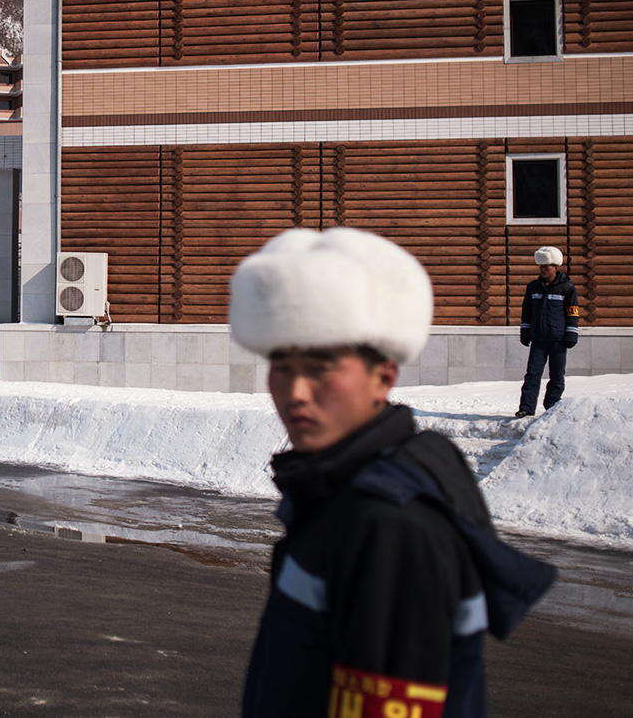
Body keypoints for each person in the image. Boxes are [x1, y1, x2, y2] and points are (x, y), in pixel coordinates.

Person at [230, 227, 556, 718]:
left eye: (320, 367)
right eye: (281, 365)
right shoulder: (347, 488)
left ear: (383, 376)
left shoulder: (388, 523)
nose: (295, 391)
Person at [515, 247, 580, 418]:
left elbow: (573, 313)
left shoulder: (567, 288)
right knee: (532, 374)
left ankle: (552, 407)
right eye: (541, 266)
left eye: (547, 266)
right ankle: (527, 407)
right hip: (538, 339)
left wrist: (571, 334)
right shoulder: (533, 287)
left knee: (557, 375)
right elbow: (526, 311)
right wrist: (525, 331)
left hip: (558, 340)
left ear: (555, 266)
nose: (543, 269)